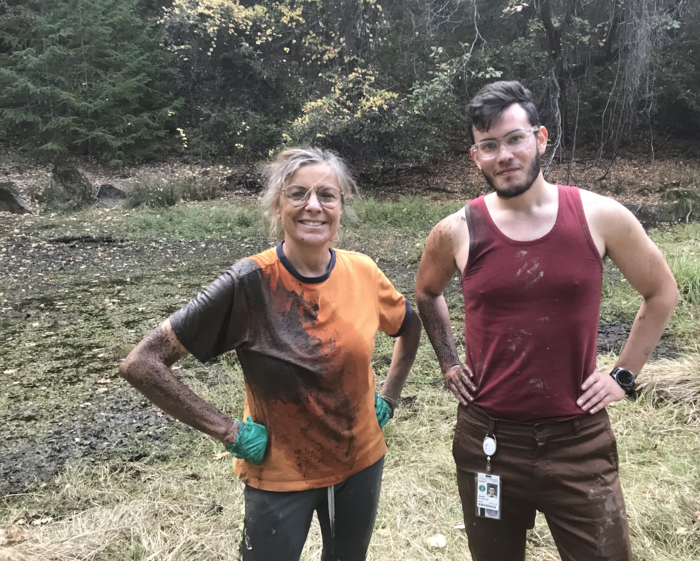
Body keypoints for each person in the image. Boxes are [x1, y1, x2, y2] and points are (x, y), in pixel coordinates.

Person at [415, 81, 678, 561]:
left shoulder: (600, 216)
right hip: (487, 443)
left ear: (540, 138)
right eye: (489, 145)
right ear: (476, 156)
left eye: (514, 139)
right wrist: (450, 363)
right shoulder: (455, 230)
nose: (504, 155)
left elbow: (661, 292)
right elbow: (427, 293)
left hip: (578, 441)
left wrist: (623, 373)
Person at [120, 147, 422, 561]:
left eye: (326, 195)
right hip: (281, 474)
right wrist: (227, 430)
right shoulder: (249, 283)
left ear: (340, 206)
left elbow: (409, 326)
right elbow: (142, 363)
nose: (313, 206)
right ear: (277, 205)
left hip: (361, 461)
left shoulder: (364, 272)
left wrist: (389, 396)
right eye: (297, 193)